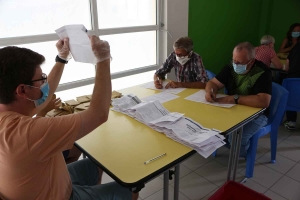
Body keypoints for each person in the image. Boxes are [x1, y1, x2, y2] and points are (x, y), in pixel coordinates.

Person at [0, 36, 138, 199]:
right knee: (129, 189)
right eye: (40, 79)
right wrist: (103, 59)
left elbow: (43, 96)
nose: (44, 83)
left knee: (97, 164)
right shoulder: (27, 133)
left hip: (42, 182)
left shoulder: (9, 110)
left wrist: (62, 58)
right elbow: (98, 114)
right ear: (22, 91)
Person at [205, 42, 272, 157]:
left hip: (258, 114)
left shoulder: (262, 72)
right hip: (233, 109)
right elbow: (212, 83)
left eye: (239, 62)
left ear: (251, 62)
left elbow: (263, 101)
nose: (235, 64)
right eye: (233, 60)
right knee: (211, 125)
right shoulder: (230, 67)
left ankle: (245, 153)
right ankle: (232, 145)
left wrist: (235, 99)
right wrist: (210, 91)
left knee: (236, 138)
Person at [36, 95, 82, 164]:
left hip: (41, 150)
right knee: (77, 149)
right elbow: (35, 129)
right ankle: (65, 170)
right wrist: (43, 110)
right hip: (42, 154)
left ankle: (64, 168)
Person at [284, 41, 300, 130]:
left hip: (291, 81)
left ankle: (291, 122)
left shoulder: (295, 48)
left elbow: (286, 68)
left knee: (292, 96)